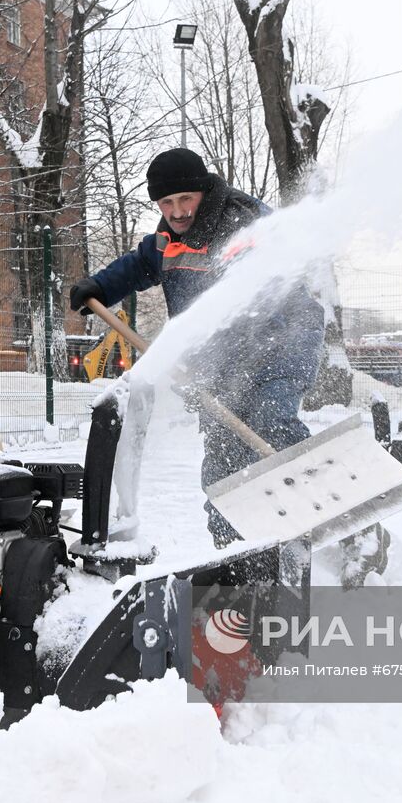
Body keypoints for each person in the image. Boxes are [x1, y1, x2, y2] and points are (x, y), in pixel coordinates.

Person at [67, 148, 326, 548]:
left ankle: (323, 514)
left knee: (268, 420)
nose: (177, 211)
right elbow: (137, 266)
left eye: (185, 199)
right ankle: (235, 554)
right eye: (166, 202)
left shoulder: (244, 224)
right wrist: (99, 287)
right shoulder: (166, 240)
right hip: (223, 362)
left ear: (204, 192)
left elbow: (261, 302)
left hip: (281, 342)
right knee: (224, 456)